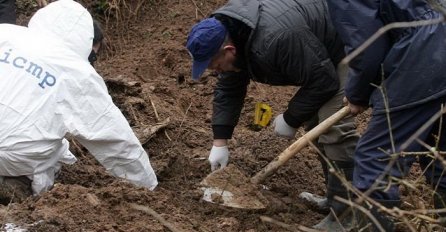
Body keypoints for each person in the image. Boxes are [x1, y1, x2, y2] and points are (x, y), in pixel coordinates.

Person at [186, 0, 359, 229]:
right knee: (315, 123)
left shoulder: (275, 38)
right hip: (317, 50)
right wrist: (220, 140)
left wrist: (290, 118)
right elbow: (229, 88)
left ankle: (348, 215)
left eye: (215, 66)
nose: (216, 72)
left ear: (229, 50)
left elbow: (323, 80)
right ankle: (335, 199)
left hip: (350, 42)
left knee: (332, 127)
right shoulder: (228, 32)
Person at [0, 0, 158, 205]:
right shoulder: (77, 71)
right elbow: (115, 140)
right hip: (13, 155)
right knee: (55, 150)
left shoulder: (5, 33)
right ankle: (20, 185)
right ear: (84, 40)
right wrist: (147, 188)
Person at [326, 1, 446, 231]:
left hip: (425, 53)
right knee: (440, 151)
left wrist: (357, 94)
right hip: (436, 35)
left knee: (376, 157)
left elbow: (366, 49)